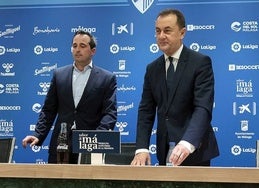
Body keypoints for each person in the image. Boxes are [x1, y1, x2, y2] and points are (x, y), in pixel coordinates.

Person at [131, 9, 219, 166]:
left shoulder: (200, 63)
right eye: (158, 31)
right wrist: (142, 148)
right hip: (164, 149)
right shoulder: (152, 69)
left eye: (167, 30)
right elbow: (146, 110)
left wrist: (187, 143)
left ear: (182, 33)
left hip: (194, 150)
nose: (161, 36)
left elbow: (203, 108)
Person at [22, 30, 117, 164]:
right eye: (74, 45)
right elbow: (48, 110)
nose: (77, 49)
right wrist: (38, 134)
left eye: (82, 46)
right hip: (60, 147)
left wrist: (96, 139)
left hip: (89, 148)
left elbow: (110, 113)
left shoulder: (106, 78)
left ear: (93, 51)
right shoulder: (59, 75)